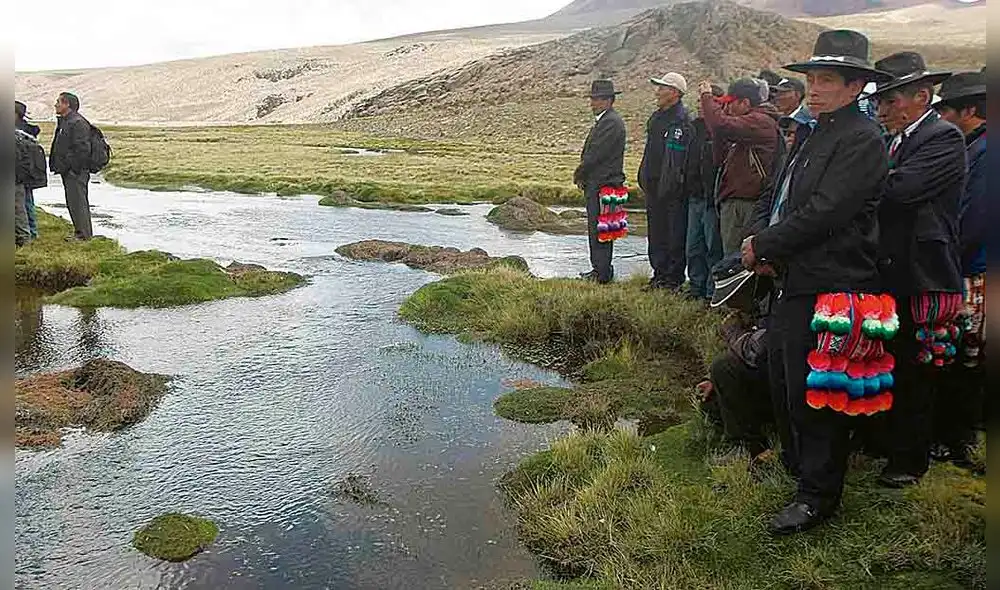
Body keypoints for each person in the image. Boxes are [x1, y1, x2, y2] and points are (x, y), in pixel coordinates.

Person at [741, 29, 893, 534]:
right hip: (796, 277)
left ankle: (818, 496)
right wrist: (768, 244)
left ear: (855, 87)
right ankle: (800, 471)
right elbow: (788, 201)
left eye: (828, 80)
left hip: (833, 281)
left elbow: (826, 212)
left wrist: (765, 245)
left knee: (818, 390)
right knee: (785, 380)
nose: (817, 88)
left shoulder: (861, 139)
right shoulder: (816, 132)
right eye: (812, 78)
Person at [869, 52, 965, 489]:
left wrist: (859, 182)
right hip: (894, 268)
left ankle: (910, 459)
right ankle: (891, 442)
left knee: (917, 365)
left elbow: (900, 191)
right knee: (894, 358)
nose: (883, 109)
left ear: (922, 96)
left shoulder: (942, 138)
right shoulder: (898, 139)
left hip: (922, 271)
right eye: (881, 101)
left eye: (891, 100)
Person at [931, 71, 986, 467]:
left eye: (947, 109)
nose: (943, 118)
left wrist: (947, 261)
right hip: (970, 266)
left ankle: (959, 439)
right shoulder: (975, 147)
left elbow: (974, 219)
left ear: (969, 110)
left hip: (975, 271)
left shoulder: (986, 153)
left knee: (967, 357)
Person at [700, 255, 774, 459]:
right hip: (767, 383)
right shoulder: (749, 309)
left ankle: (749, 447)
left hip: (784, 388)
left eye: (732, 297)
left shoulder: (775, 303)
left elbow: (759, 352)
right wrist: (713, 381)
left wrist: (733, 333)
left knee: (722, 367)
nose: (730, 305)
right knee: (711, 403)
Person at [699, 77, 780, 256]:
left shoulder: (759, 121)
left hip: (745, 203)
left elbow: (720, 124)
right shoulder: (748, 126)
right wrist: (719, 131)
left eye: (731, 103)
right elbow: (719, 157)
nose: (727, 109)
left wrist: (706, 97)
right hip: (738, 201)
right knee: (730, 255)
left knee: (736, 258)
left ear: (745, 102)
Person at [638, 72, 696, 291]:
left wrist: (678, 184)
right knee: (656, 234)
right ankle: (659, 275)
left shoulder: (683, 120)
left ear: (674, 92)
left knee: (674, 236)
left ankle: (672, 280)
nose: (657, 92)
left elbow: (683, 160)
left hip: (673, 191)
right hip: (653, 187)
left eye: (662, 88)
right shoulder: (656, 117)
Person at [574, 80, 627, 284]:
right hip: (605, 183)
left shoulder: (611, 122)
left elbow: (595, 155)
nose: (592, 103)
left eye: (596, 99)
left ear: (608, 100)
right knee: (603, 229)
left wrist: (580, 173)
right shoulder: (608, 121)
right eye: (592, 99)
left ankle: (601, 272)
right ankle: (601, 270)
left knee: (602, 229)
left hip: (604, 184)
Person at [686, 84, 725, 302]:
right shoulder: (695, 128)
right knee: (693, 247)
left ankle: (712, 292)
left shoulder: (722, 130)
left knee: (712, 248)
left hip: (712, 199)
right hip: (695, 196)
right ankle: (695, 287)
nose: (701, 108)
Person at [50, 91, 93, 240]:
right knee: (73, 202)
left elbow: (82, 149)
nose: (56, 104)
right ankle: (80, 233)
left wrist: (71, 167)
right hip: (69, 170)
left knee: (78, 202)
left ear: (67, 104)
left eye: (59, 102)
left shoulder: (77, 122)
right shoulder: (67, 121)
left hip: (76, 171)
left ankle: (83, 236)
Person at [16, 101, 41, 240]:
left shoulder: (18, 132)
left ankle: (27, 234)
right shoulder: (27, 130)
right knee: (26, 202)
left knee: (22, 204)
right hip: (26, 172)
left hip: (20, 174)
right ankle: (31, 232)